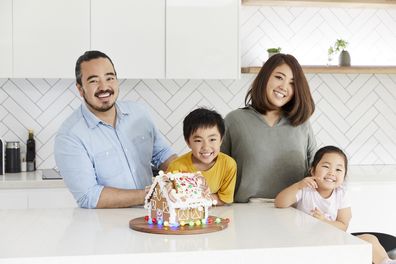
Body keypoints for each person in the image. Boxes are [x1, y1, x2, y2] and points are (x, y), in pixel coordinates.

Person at [54, 50, 177, 209]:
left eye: (109, 78)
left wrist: (188, 178)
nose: (104, 87)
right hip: (105, 228)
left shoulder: (139, 113)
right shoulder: (70, 136)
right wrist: (151, 194)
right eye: (93, 81)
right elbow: (89, 197)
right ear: (80, 88)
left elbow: (162, 155)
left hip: (150, 219)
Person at [275, 145, 396, 264]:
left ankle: (385, 262)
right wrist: (298, 186)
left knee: (370, 239)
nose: (332, 172)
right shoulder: (306, 189)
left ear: (343, 176)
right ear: (312, 170)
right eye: (326, 166)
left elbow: (343, 225)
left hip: (334, 242)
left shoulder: (341, 194)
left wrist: (324, 222)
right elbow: (279, 203)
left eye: (338, 169)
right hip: (308, 243)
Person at [221, 53, 316, 202]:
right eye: (279, 77)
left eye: (292, 83)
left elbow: (315, 171)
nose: (284, 87)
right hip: (246, 211)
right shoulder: (234, 120)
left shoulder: (302, 124)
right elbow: (217, 169)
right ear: (265, 77)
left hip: (293, 210)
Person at [167, 108, 237, 206]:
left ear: (221, 140)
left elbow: (225, 199)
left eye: (212, 139)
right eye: (198, 140)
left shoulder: (228, 165)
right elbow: (168, 196)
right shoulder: (176, 166)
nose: (206, 147)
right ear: (188, 142)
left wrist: (203, 198)